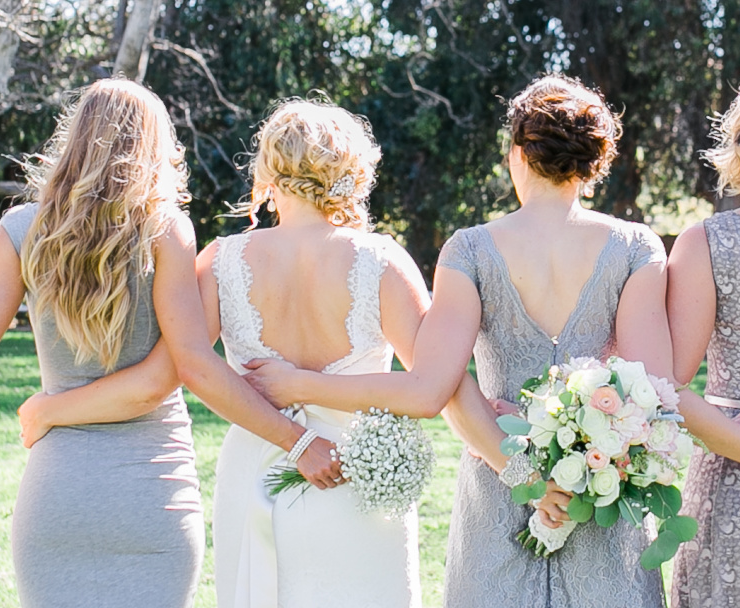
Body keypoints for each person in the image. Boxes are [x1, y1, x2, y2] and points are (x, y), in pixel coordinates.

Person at [0, 78, 339, 608]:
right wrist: (298, 439)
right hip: (154, 497)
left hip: (58, 501)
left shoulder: (20, 229)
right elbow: (192, 368)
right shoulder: (166, 229)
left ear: (74, 137)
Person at [244, 75, 673, 606]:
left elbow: (435, 387)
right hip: (603, 496)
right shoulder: (636, 248)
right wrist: (585, 466)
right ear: (594, 160)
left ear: (517, 153)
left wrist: (528, 475)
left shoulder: (469, 249)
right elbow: (649, 394)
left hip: (498, 491)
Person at [196, 98, 431, 607]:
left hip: (257, 465)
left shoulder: (220, 260)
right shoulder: (383, 261)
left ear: (268, 170)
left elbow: (196, 368)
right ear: (349, 171)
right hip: (358, 474)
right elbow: (430, 383)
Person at [668, 76, 740, 607]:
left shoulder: (707, 241)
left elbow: (667, 385)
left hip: (732, 480)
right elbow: (666, 386)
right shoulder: (707, 243)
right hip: (735, 489)